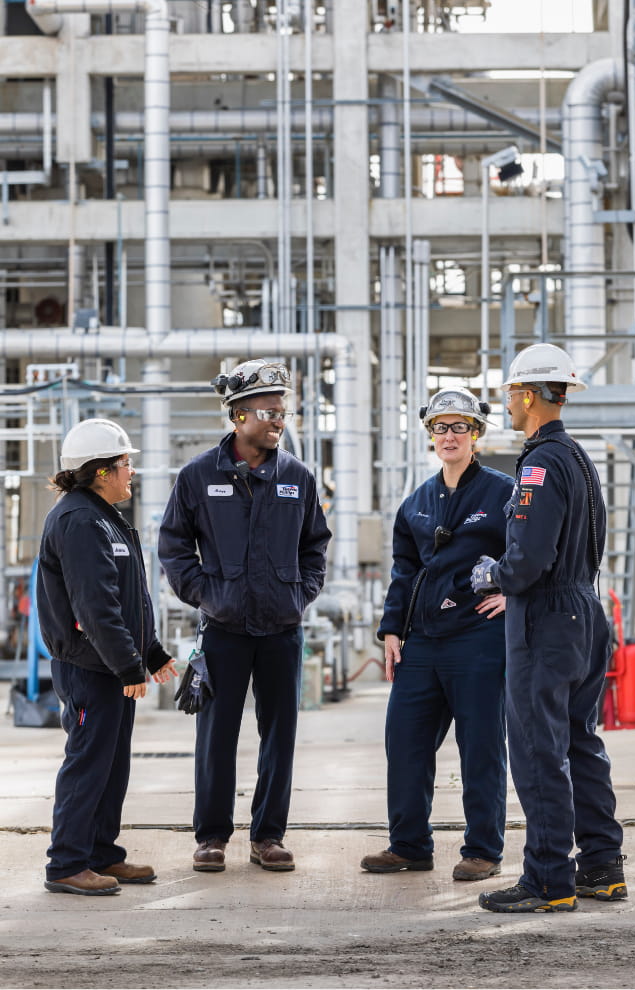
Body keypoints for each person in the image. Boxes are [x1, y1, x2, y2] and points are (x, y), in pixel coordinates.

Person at [471, 343, 627, 913]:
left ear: (530, 395)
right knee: (581, 742)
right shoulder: (579, 458)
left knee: (539, 749)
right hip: (583, 612)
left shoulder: (539, 463)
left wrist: (493, 573)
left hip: (545, 618)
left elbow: (529, 559)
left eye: (511, 392)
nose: (507, 403)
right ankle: (603, 867)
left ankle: (547, 880)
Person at [158, 359, 331, 873]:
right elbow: (173, 548)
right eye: (269, 412)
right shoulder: (197, 476)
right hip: (224, 628)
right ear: (238, 416)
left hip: (282, 629)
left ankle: (268, 836)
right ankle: (211, 837)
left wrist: (299, 595)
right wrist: (206, 594)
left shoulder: (296, 477)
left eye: (283, 411)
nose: (279, 420)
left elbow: (315, 547)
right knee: (216, 737)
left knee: (280, 734)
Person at [361, 387, 514, 880]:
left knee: (481, 746)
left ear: (477, 435)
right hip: (422, 641)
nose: (450, 436)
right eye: (441, 427)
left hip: (479, 637)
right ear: (431, 434)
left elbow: (534, 549)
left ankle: (483, 850)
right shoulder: (417, 503)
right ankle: (408, 845)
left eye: (460, 427)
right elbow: (404, 571)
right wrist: (391, 630)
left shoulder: (503, 492)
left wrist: (515, 593)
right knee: (404, 741)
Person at [37, 419, 177, 896]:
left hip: (109, 666)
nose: (131, 471)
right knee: (88, 761)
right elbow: (94, 607)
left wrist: (151, 652)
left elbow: (126, 598)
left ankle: (100, 854)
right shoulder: (78, 520)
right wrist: (127, 665)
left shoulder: (103, 516)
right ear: (99, 471)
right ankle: (67, 863)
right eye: (124, 463)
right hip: (89, 668)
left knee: (112, 764)